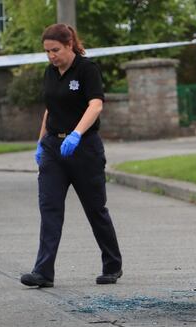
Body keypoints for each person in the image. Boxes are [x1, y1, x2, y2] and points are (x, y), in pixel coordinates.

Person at [20, 24, 122, 288]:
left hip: (84, 148)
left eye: (55, 50)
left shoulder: (87, 70)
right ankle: (43, 272)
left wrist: (76, 134)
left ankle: (112, 265)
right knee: (50, 209)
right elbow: (49, 109)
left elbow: (96, 104)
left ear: (69, 45)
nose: (51, 56)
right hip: (54, 149)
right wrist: (41, 143)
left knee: (95, 209)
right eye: (47, 52)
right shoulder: (50, 73)